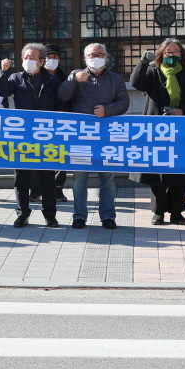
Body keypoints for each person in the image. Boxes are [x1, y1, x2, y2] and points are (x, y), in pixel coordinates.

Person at [57, 42, 130, 229]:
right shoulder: (76, 75)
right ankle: (79, 216)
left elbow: (124, 102)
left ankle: (108, 217)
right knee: (80, 179)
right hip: (81, 137)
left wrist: (107, 110)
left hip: (106, 137)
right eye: (91, 55)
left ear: (106, 57)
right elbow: (62, 97)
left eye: (99, 54)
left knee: (107, 179)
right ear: (85, 58)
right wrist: (73, 80)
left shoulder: (115, 79)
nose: (95, 57)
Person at [131, 39, 185, 225]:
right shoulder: (153, 71)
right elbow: (136, 83)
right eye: (168, 52)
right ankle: (159, 212)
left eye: (176, 52)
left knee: (180, 171)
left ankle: (177, 212)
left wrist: (182, 111)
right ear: (161, 54)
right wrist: (143, 62)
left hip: (181, 129)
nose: (172, 55)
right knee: (157, 172)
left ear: (182, 54)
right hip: (156, 128)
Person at [0, 42, 61, 227]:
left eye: (32, 58)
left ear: (41, 61)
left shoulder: (51, 80)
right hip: (22, 134)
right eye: (25, 58)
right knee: (21, 177)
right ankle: (22, 213)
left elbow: (59, 105)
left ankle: (50, 215)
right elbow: (3, 91)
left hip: (46, 134)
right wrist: (3, 72)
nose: (28, 61)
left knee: (47, 177)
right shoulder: (16, 78)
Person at [44, 44, 69, 202]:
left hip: (61, 122)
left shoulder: (64, 78)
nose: (52, 60)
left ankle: (58, 189)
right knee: (38, 155)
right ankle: (37, 189)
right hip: (41, 123)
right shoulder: (36, 76)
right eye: (48, 57)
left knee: (61, 157)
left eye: (55, 57)